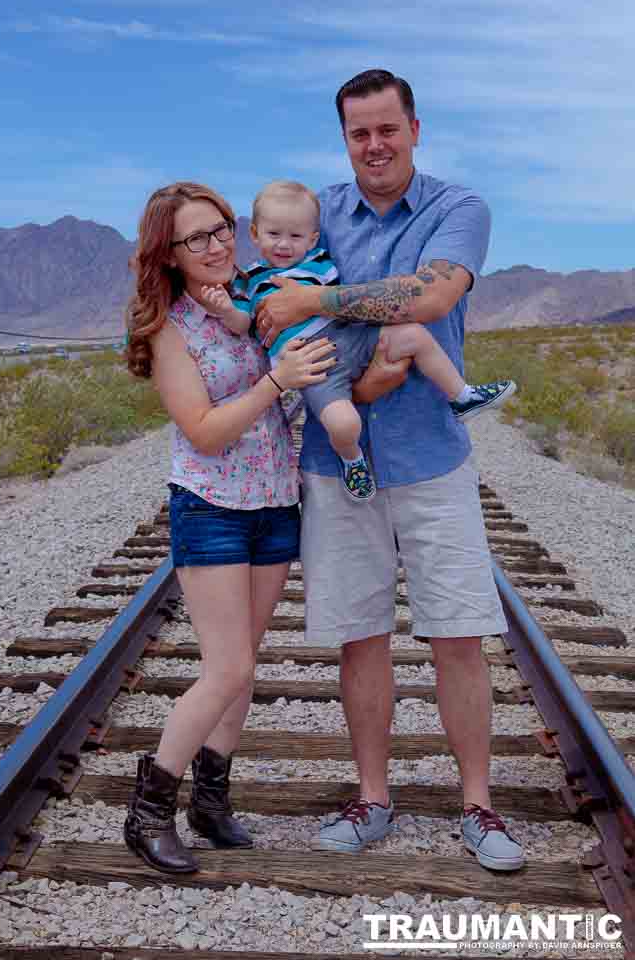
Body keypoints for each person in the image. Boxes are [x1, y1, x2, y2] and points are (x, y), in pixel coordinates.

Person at [255, 70, 525, 871]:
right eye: (357, 133)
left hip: (429, 456)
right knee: (360, 637)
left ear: (414, 128)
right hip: (337, 466)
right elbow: (271, 298)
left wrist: (318, 306)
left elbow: (429, 296)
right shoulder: (319, 212)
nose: (373, 146)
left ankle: (477, 806)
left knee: (457, 635)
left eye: (386, 130)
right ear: (343, 138)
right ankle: (372, 797)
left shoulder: (457, 208)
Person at [123, 181, 333, 874]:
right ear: (170, 253)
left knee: (242, 670)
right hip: (211, 506)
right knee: (228, 667)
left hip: (274, 503)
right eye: (196, 238)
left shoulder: (253, 296)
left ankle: (211, 802)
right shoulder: (169, 330)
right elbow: (206, 433)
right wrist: (277, 381)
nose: (216, 245)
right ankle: (149, 808)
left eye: (221, 229)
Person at [210, 178, 515, 502]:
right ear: (255, 234)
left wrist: (310, 301)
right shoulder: (250, 280)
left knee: (413, 334)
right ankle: (352, 460)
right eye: (274, 235)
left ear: (312, 238)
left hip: (350, 336)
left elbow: (358, 296)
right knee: (343, 424)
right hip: (315, 366)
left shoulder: (320, 264)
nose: (284, 244)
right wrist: (225, 310)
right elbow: (243, 323)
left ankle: (461, 395)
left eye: (295, 236)